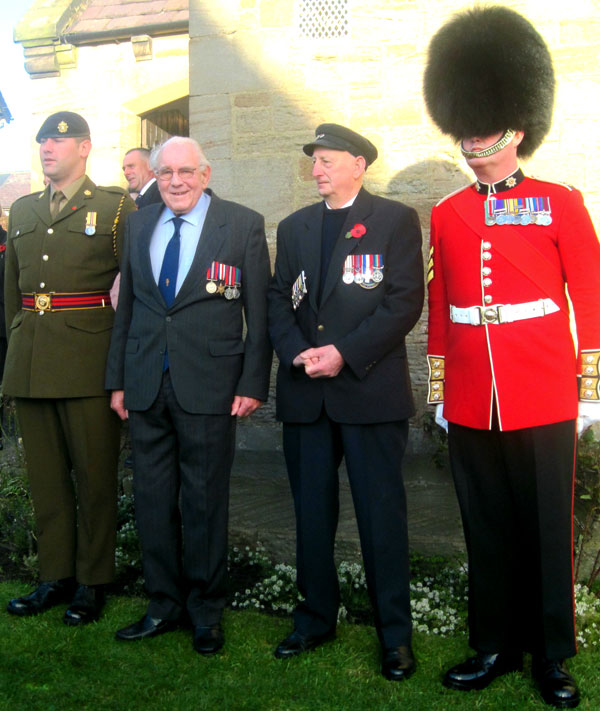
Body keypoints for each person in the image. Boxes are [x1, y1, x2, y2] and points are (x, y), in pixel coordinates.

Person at [423, 7, 600, 708]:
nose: (471, 140)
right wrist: (439, 380)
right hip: (472, 390)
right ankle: (492, 641)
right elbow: (442, 305)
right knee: (486, 522)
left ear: (517, 129)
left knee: (546, 523)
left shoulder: (559, 203)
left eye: (484, 128)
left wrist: (590, 384)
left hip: (544, 389)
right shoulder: (446, 212)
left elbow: (589, 295)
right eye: (464, 130)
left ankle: (553, 652)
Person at [268, 124, 424, 680]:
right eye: (314, 162)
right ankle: (314, 619)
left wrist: (344, 353)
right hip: (307, 394)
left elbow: (405, 301)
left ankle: (395, 637)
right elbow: (276, 298)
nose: (317, 170)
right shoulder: (294, 227)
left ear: (358, 164)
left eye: (327, 161)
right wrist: (297, 354)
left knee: (382, 518)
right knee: (311, 516)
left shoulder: (395, 221)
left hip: (368, 391)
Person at [106, 136, 271, 654]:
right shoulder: (137, 224)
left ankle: (205, 610)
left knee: (202, 502)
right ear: (156, 177)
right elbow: (128, 309)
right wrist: (117, 380)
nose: (175, 181)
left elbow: (260, 317)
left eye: (186, 172)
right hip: (146, 383)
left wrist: (251, 383)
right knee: (152, 500)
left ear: (205, 173)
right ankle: (162, 604)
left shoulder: (241, 223)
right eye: (166, 172)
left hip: (210, 385)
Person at [4, 111, 136, 624]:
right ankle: (53, 576)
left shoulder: (115, 207)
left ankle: (92, 581)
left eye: (58, 142)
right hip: (31, 361)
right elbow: (11, 293)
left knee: (95, 477)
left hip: (88, 360)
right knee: (46, 479)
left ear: (84, 147)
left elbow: (135, 291)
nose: (46, 149)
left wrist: (122, 367)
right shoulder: (23, 209)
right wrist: (17, 344)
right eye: (42, 142)